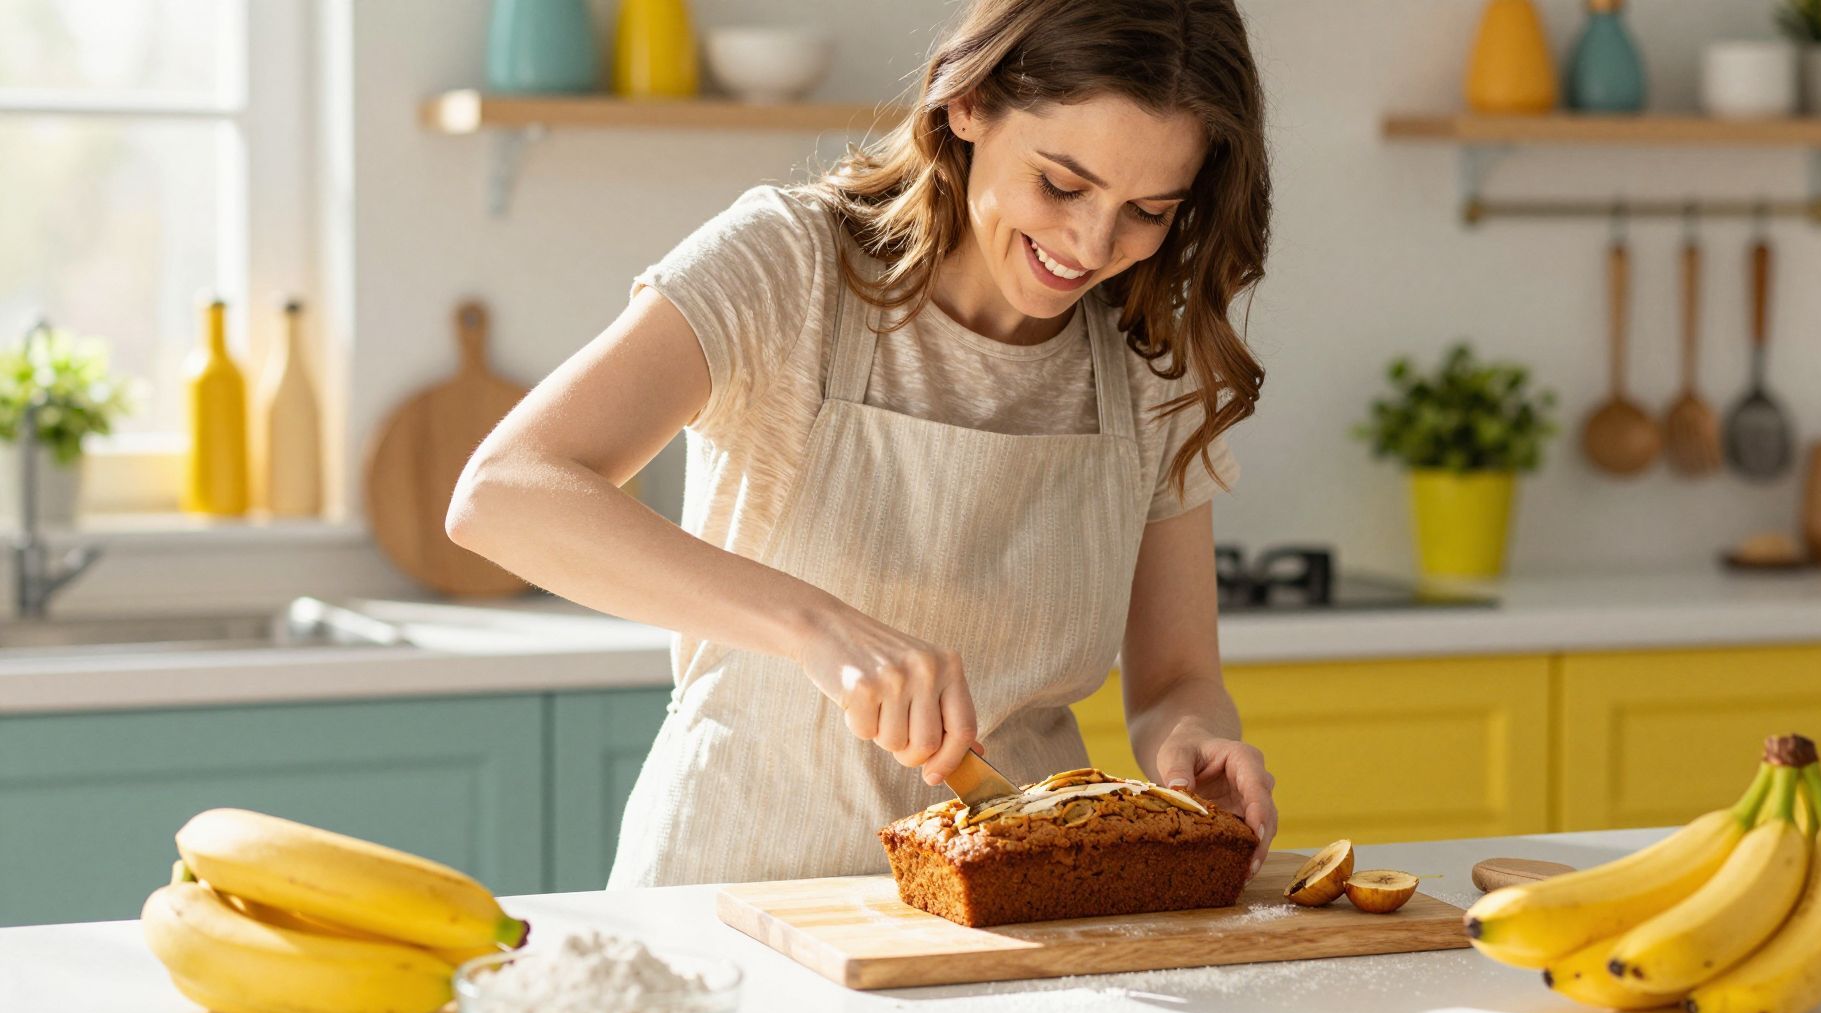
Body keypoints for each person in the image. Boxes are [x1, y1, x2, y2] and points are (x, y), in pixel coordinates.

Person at [448, 0, 1278, 888]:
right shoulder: (790, 266)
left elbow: (1177, 676)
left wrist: (1194, 736)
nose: (1092, 244)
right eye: (1062, 186)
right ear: (970, 104)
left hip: (1010, 916)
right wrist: (818, 626)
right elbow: (503, 492)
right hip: (731, 898)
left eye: (1148, 210)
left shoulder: (1152, 358)